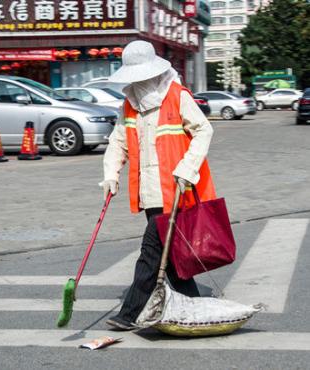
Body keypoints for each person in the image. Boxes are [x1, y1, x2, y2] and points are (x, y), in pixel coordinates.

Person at [99, 41, 217, 330]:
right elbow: (118, 142)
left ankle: (129, 313)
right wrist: (111, 174)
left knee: (150, 252)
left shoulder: (177, 96)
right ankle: (194, 306)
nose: (138, 80)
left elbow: (204, 130)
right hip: (149, 192)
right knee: (173, 256)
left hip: (176, 190)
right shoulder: (130, 105)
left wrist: (187, 168)